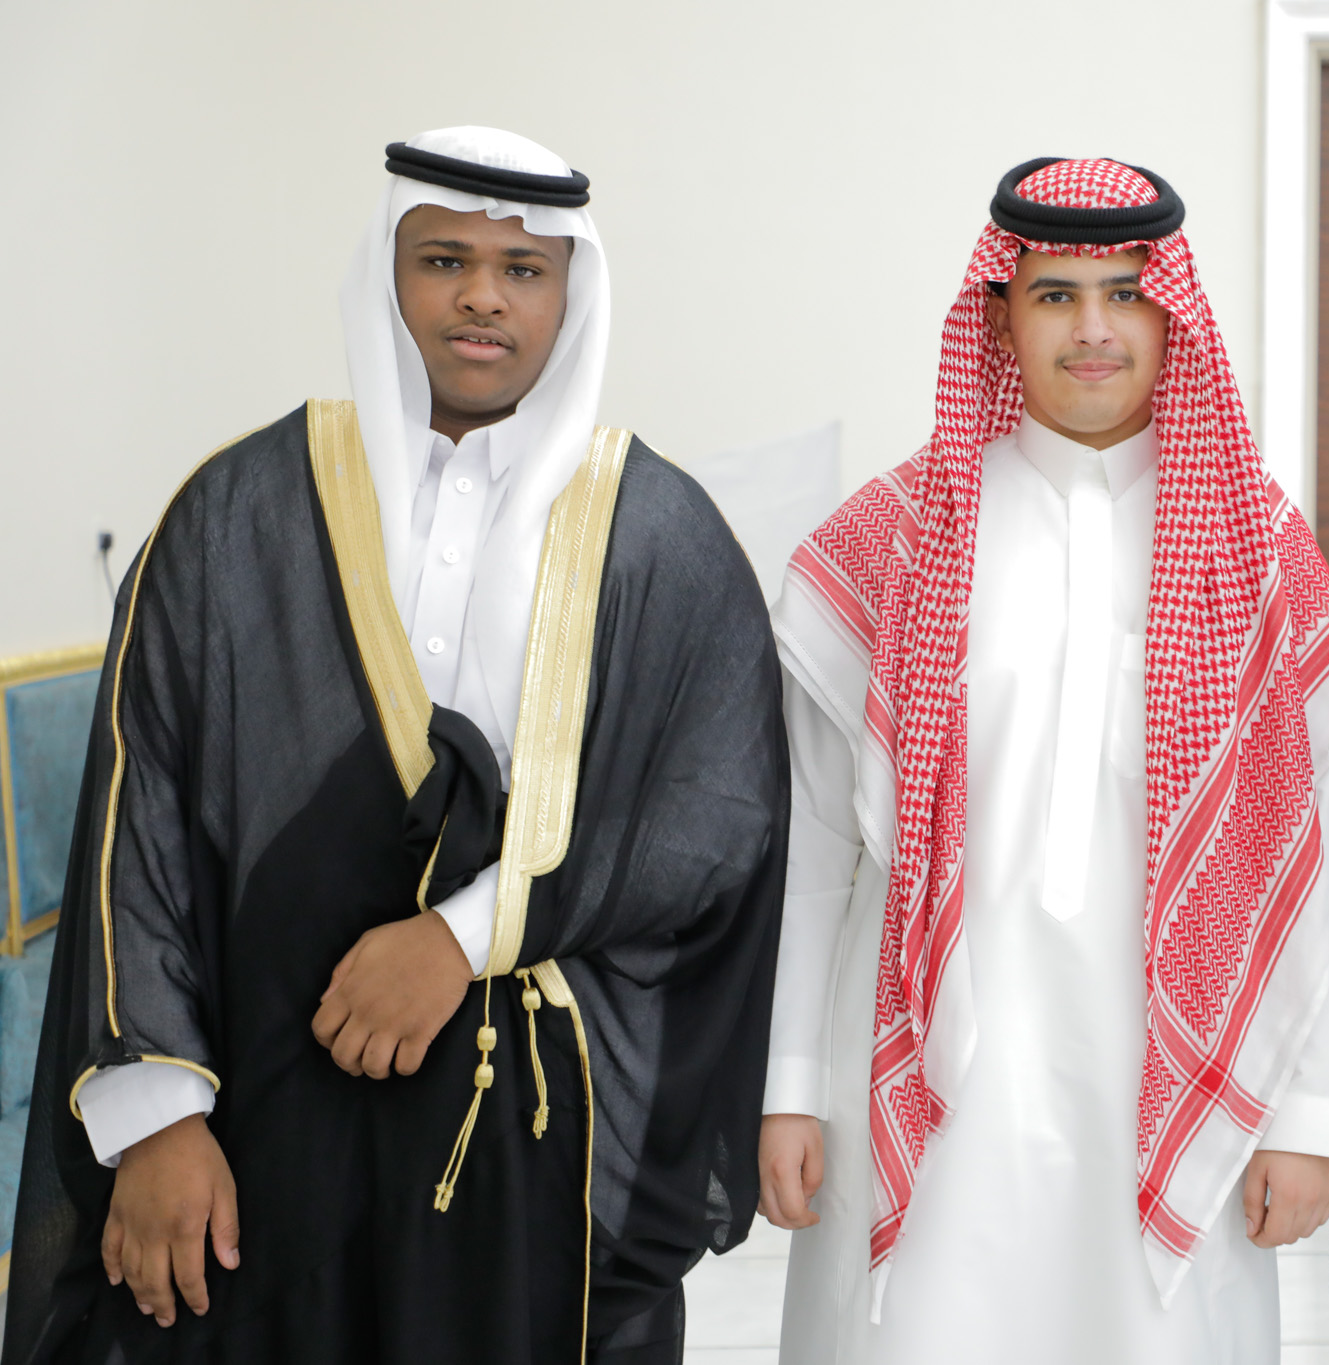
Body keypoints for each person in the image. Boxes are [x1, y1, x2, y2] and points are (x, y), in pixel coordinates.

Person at [4, 127, 788, 1365]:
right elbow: (136, 825)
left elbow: (712, 823)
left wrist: (458, 939)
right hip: (267, 1138)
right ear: (386, 271)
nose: (482, 296)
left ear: (571, 292)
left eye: (522, 269)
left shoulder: (658, 535)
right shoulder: (235, 514)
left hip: (534, 1163)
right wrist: (156, 1119)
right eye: (443, 260)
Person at [756, 158, 1329, 1364]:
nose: (1093, 329)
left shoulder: (1256, 551)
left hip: (1166, 1084)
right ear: (999, 316)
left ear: (1171, 315)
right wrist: (789, 1083)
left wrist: (1310, 1114)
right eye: (1054, 295)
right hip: (926, 1089)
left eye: (1125, 293)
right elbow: (817, 847)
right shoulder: (893, 539)